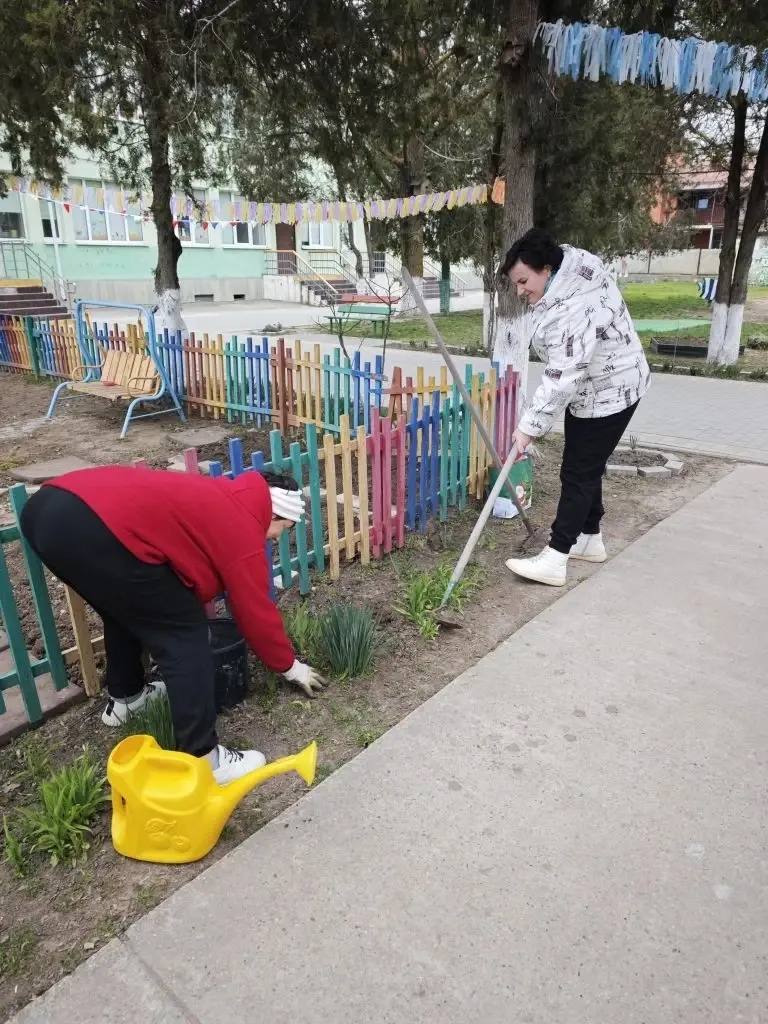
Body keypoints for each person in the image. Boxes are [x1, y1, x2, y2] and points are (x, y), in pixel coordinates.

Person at [20, 465, 326, 785]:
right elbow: (253, 609)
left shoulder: (225, 497)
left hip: (51, 510)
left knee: (126, 608)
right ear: (275, 513)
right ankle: (206, 762)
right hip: (91, 522)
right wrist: (290, 667)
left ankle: (129, 699)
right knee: (184, 634)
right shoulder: (245, 522)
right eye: (285, 528)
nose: (278, 537)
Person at [500, 228, 650, 587]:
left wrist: (527, 428)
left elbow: (561, 376)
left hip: (609, 392)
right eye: (516, 284)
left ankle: (556, 556)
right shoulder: (571, 266)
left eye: (523, 281)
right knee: (586, 464)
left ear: (547, 269)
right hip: (599, 386)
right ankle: (590, 538)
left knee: (578, 472)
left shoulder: (571, 309)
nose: (520, 291)